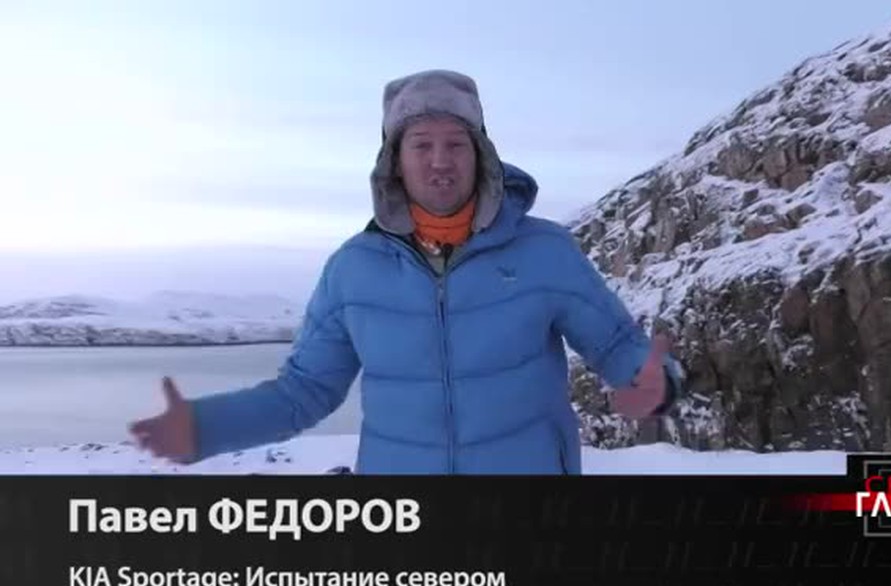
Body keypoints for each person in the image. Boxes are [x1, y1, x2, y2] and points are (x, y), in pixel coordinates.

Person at [129, 69, 683, 474]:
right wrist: (205, 427)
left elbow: (618, 347)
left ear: (481, 156)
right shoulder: (353, 270)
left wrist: (655, 384)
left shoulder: (546, 252)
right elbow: (303, 392)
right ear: (394, 161)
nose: (440, 160)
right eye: (421, 145)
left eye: (456, 143)